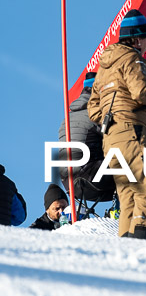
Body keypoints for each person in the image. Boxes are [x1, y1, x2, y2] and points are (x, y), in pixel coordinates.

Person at [88, 9, 146, 239]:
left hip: (111, 140)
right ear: (136, 39)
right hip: (132, 135)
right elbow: (141, 92)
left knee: (128, 197)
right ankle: (139, 244)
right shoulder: (132, 58)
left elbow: (93, 108)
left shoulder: (105, 67)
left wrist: (113, 117)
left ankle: (125, 248)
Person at [58, 71, 116, 206]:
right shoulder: (97, 115)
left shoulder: (67, 118)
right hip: (90, 177)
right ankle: (137, 220)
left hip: (69, 184)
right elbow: (124, 140)